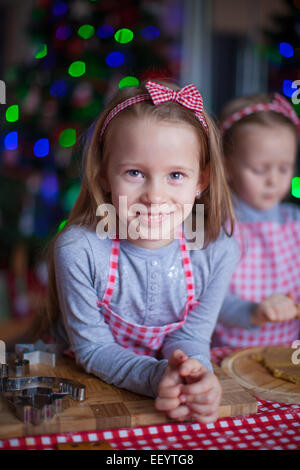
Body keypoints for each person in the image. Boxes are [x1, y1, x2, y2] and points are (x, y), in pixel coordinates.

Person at [41, 80, 239, 424]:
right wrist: (157, 376)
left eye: (176, 174)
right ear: (103, 174)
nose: (154, 195)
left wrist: (193, 377)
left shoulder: (217, 250)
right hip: (82, 391)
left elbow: (189, 336)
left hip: (159, 390)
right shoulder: (78, 250)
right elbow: (95, 348)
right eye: (134, 172)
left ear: (201, 181)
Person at [213, 92, 300, 348]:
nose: (273, 180)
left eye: (284, 168)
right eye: (259, 170)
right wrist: (253, 311)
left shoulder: (296, 224)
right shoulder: (216, 229)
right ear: (227, 167)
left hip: (288, 356)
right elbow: (207, 302)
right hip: (227, 358)